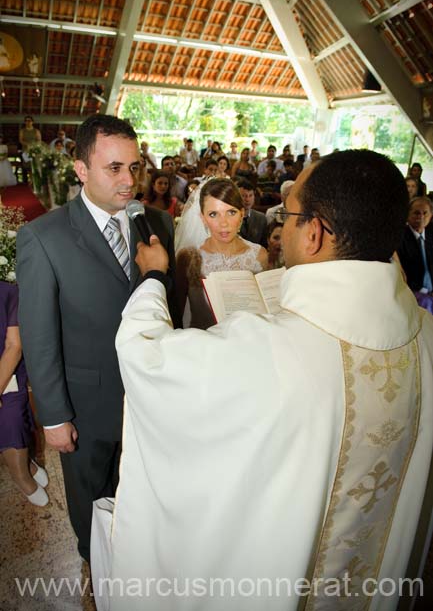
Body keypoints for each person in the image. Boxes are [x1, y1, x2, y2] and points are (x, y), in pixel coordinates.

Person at [92, 149, 433, 611]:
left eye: (290, 215)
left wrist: (152, 276)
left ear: (312, 233)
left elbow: (145, 354)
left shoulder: (266, 352)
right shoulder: (427, 337)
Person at [16, 114, 179, 564]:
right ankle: (97, 568)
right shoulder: (43, 237)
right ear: (81, 169)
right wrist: (53, 416)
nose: (130, 181)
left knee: (142, 495)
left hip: (151, 399)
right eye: (114, 169)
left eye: (135, 167)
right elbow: (40, 335)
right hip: (86, 405)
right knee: (90, 501)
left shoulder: (158, 225)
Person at [176, 178, 267, 329]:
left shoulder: (259, 256)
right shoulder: (188, 257)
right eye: (213, 214)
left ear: (242, 214)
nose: (223, 223)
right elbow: (176, 312)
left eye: (231, 212)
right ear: (202, 218)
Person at [0, 282, 49, 507]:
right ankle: (21, 471)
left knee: (11, 417)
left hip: (6, 372)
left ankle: (22, 470)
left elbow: (14, 346)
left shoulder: (9, 292)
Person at [397, 196, 433, 312]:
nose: (421, 217)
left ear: (431, 215)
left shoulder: (431, 236)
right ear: (408, 214)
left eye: (425, 213)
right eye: (416, 213)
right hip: (413, 291)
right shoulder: (400, 238)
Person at [238, 179, 268, 247]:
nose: (248, 200)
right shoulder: (229, 218)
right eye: (244, 196)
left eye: (250, 195)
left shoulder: (261, 218)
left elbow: (264, 245)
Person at [18, 116, 41, 183]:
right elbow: (20, 140)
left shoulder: (36, 131)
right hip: (25, 150)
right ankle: (25, 181)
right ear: (25, 122)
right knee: (26, 166)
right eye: (27, 121)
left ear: (32, 122)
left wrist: (33, 146)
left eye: (29, 121)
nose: (28, 122)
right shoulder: (22, 130)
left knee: (34, 165)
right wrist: (27, 145)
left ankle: (34, 180)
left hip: (34, 150)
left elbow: (39, 140)